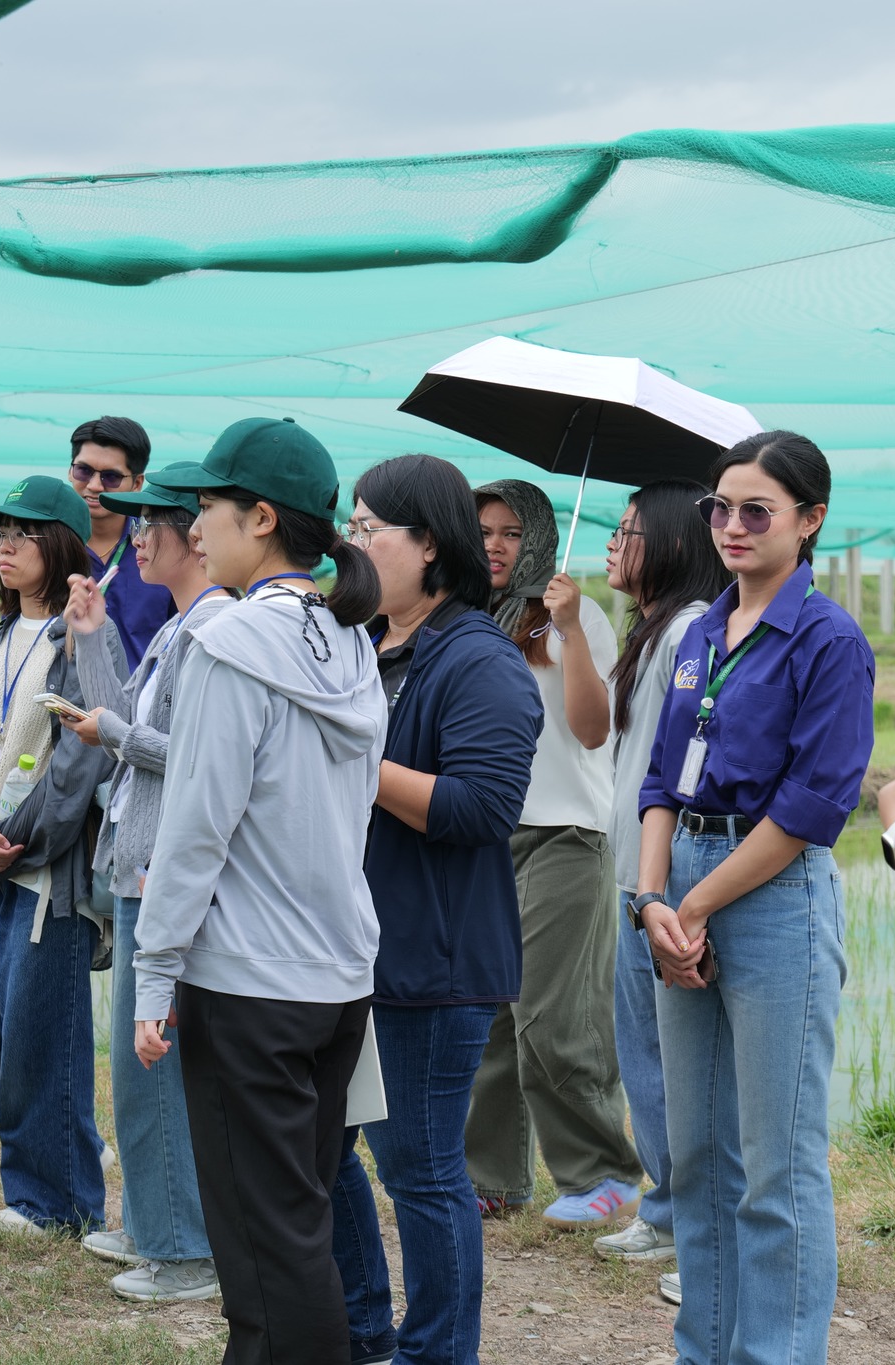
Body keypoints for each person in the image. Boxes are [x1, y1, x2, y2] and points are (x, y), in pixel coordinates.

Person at [130, 418, 388, 1365]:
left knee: (266, 1249)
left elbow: (197, 827)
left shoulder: (233, 641)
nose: (194, 525)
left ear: (264, 518)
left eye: (208, 507)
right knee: (296, 1225)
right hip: (334, 979)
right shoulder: (348, 638)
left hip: (248, 987)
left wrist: (154, 978)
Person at [636, 431, 873, 1362]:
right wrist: (653, 899)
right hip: (678, 886)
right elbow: (661, 777)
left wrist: (690, 912)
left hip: (772, 895)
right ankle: (710, 1347)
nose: (731, 527)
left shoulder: (829, 638)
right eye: (718, 509)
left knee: (774, 1166)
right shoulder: (700, 629)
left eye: (756, 511)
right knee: (696, 1157)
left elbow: (813, 807)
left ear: (810, 521)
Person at [330, 453, 542, 1365]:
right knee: (324, 1146)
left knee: (419, 1168)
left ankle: (438, 1351)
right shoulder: (363, 642)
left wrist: (351, 763)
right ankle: (360, 1327)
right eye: (353, 521)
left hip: (434, 954)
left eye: (373, 526)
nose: (354, 540)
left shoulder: (478, 657)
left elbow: (483, 808)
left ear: (429, 544)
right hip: (346, 944)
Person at [62, 461, 229, 1301]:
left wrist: (118, 730)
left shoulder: (213, 629)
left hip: (166, 868)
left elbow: (198, 755)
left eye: (144, 523)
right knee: (143, 1062)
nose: (132, 538)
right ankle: (158, 1225)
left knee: (150, 1063)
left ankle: (183, 1248)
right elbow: (120, 720)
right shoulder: (175, 626)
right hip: (141, 862)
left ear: (189, 531)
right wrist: (91, 635)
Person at [464, 480, 645, 1228]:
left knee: (549, 1012)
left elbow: (593, 729)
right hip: (485, 833)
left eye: (511, 532)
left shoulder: (576, 615)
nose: (496, 545)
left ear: (537, 538)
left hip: (565, 833)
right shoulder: (466, 619)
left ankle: (605, 1172)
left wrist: (568, 628)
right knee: (488, 1012)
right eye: (483, 531)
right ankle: (492, 1177)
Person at [0, 475, 117, 1237]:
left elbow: (78, 764)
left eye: (22, 532)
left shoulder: (79, 636)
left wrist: (11, 837)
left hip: (46, 874)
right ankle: (70, 1164)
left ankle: (53, 1199)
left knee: (37, 1037)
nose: (5, 544)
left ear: (59, 545)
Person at [591, 481, 727, 1277]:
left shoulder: (683, 632)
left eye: (630, 530)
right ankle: (671, 1206)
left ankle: (689, 1216)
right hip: (632, 875)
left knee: (671, 1057)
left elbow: (677, 775)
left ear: (674, 545)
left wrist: (658, 887)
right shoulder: (652, 629)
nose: (614, 543)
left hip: (660, 881)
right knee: (645, 1051)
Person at [69, 416, 175, 659]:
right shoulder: (48, 547)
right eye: (84, 471)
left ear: (137, 483)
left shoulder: (163, 548)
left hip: (141, 695)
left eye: (110, 477)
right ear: (70, 471)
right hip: (59, 697)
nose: (94, 486)